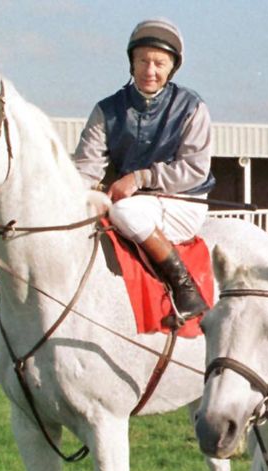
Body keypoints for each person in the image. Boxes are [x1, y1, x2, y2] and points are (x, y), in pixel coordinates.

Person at [74, 18, 214, 320]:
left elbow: (194, 170)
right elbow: (86, 168)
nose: (150, 71)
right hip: (133, 201)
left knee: (125, 214)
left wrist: (140, 178)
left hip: (182, 200)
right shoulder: (106, 110)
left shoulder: (192, 107)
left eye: (159, 63)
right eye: (143, 61)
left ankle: (185, 287)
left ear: (171, 68)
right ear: (132, 63)